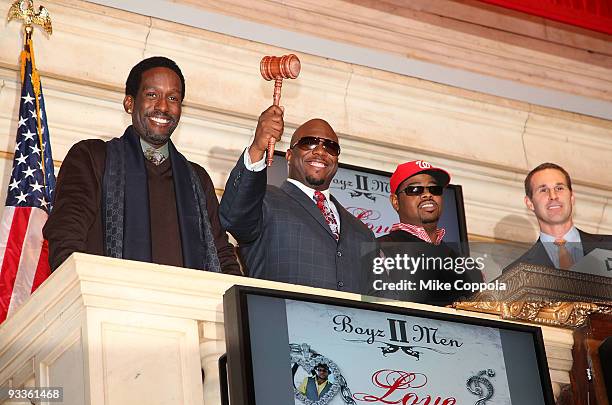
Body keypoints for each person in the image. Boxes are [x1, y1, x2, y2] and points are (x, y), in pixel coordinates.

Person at [43, 56, 239, 274]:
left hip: (187, 305)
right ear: (130, 103)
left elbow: (221, 253)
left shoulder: (197, 178)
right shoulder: (92, 157)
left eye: (173, 98)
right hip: (107, 302)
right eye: (152, 95)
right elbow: (66, 234)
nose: (163, 106)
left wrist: (239, 302)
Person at [219, 105, 375, 293]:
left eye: (330, 147)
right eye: (309, 143)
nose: (320, 151)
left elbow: (375, 296)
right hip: (283, 320)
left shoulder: (362, 231)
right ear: (289, 155)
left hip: (348, 322)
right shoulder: (264, 201)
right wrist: (258, 147)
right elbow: (234, 216)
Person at [376, 160, 482, 305]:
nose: (427, 195)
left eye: (434, 189)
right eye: (415, 190)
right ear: (395, 201)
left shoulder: (467, 265)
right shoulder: (380, 249)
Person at [507, 162, 612, 270]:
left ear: (571, 197)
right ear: (530, 203)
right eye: (543, 190)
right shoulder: (517, 270)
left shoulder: (609, 247)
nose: (553, 196)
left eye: (559, 188)